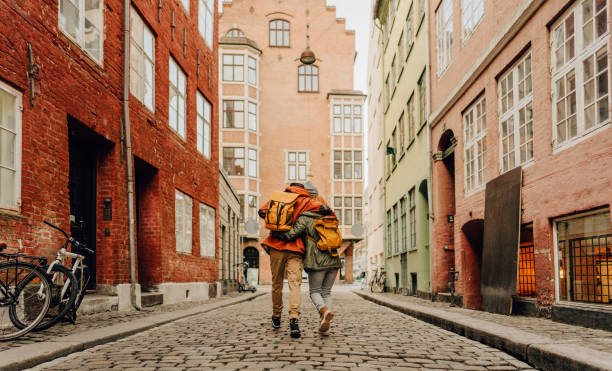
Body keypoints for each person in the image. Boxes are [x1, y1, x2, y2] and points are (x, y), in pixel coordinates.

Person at [275, 181, 342, 336]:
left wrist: (278, 234)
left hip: (317, 261)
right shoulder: (330, 214)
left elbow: (291, 234)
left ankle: (324, 311)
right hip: (333, 259)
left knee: (315, 292)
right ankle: (324, 325)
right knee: (327, 292)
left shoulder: (306, 216)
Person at [258, 182, 322, 338]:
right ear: (303, 189)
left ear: (290, 187)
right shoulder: (306, 200)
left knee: (277, 283)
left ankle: (276, 316)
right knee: (295, 284)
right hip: (295, 248)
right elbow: (323, 211)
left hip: (276, 246)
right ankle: (294, 319)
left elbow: (262, 212)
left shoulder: (280, 197)